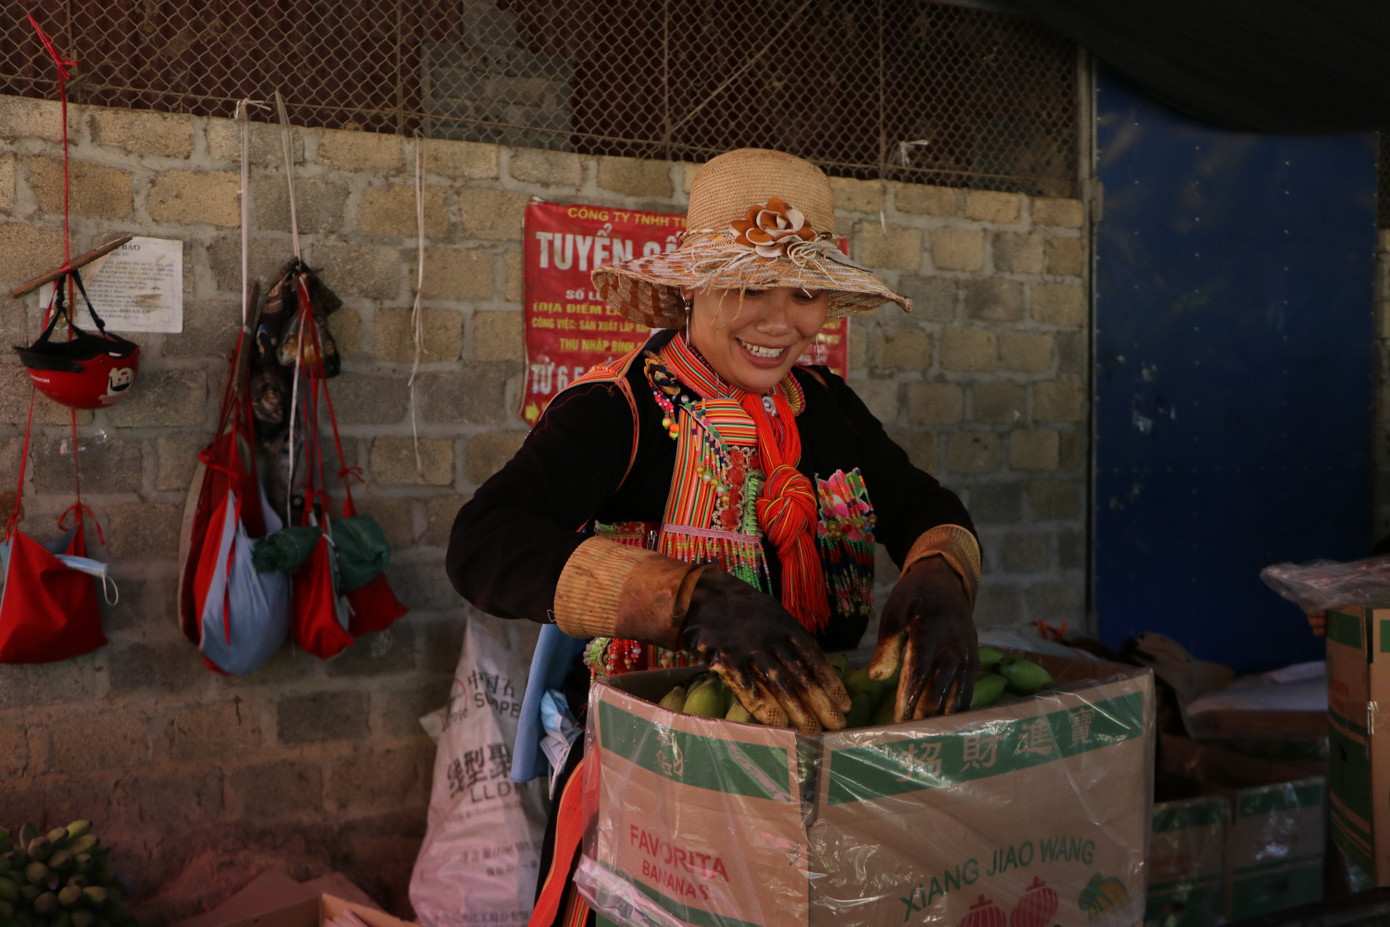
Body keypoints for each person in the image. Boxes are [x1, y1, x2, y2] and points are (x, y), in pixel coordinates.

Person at [445, 147, 981, 927]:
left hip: (804, 794)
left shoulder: (826, 406)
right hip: (652, 802)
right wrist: (688, 599)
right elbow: (481, 543)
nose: (780, 321)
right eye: (750, 285)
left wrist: (938, 575)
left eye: (805, 292)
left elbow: (924, 505)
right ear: (693, 284)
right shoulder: (617, 408)